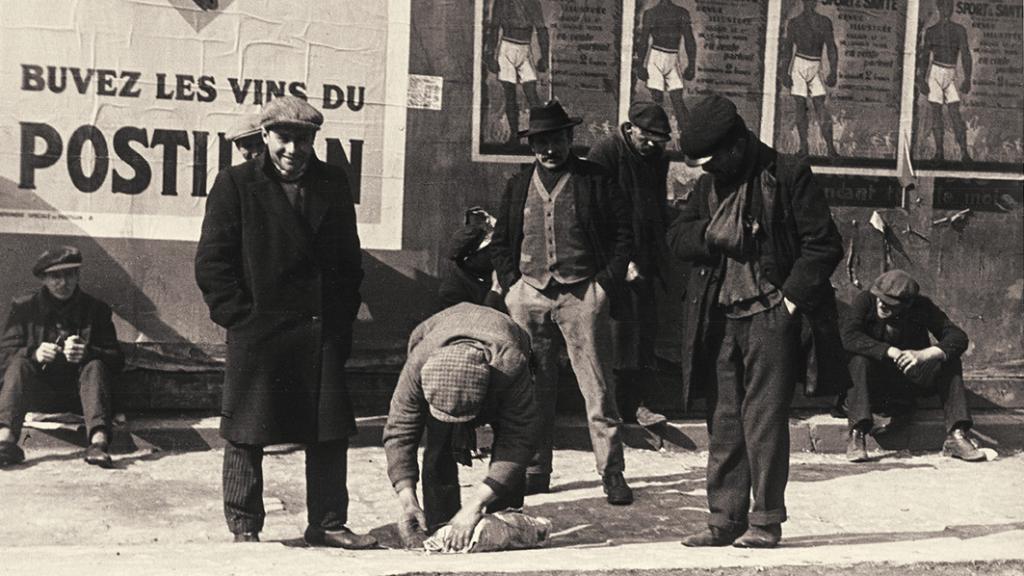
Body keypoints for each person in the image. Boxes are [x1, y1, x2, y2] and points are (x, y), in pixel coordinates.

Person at [195, 95, 375, 548]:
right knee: (245, 431)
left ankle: (328, 522)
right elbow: (213, 263)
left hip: (319, 330)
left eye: (303, 139)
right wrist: (242, 319)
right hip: (260, 330)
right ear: (265, 137)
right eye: (284, 138)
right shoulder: (236, 184)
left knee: (329, 431)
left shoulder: (332, 182)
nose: (293, 149)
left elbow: (348, 260)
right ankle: (244, 526)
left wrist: (340, 318)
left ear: (314, 140)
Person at [668, 93, 845, 548]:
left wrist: (788, 303)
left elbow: (823, 245)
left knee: (764, 423)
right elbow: (677, 238)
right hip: (722, 317)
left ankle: (765, 522)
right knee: (724, 422)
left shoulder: (786, 174)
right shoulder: (710, 186)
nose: (707, 169)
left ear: (737, 144)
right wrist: (711, 234)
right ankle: (724, 520)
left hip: (770, 315)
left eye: (712, 160)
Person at [490, 100, 635, 505]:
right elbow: (502, 241)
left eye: (555, 139)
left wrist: (604, 284)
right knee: (533, 388)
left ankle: (612, 473)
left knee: (598, 389)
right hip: (529, 295)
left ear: (570, 138)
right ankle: (536, 470)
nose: (548, 149)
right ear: (531, 146)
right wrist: (512, 284)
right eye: (540, 142)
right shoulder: (519, 184)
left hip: (581, 293)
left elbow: (624, 234)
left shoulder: (595, 179)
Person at [383, 303, 538, 551]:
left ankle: (505, 513)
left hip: (504, 339)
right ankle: (441, 521)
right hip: (437, 333)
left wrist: (475, 504)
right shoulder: (418, 365)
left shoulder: (510, 367)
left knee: (508, 446)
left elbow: (518, 440)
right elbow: (400, 432)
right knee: (439, 443)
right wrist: (407, 500)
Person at [839, 269, 984, 463]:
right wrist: (888, 351)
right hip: (872, 384)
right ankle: (857, 434)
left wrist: (924, 354)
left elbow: (958, 337)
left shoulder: (921, 306)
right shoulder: (865, 300)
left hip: (909, 380)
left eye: (890, 303)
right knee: (858, 361)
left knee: (949, 360)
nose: (881, 303)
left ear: (907, 304)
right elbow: (847, 337)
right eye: (879, 298)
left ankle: (956, 436)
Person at [587, 101, 672, 428]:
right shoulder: (606, 152)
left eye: (659, 139)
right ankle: (619, 406)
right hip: (611, 257)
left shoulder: (656, 160)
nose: (651, 144)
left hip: (644, 256)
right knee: (619, 333)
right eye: (646, 136)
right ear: (630, 128)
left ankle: (636, 404)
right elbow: (594, 211)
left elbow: (655, 207)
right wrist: (619, 261)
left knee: (642, 332)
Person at [0, 246, 124, 469]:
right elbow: (4, 355)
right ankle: (5, 441)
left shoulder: (96, 310)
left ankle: (98, 444)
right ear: (44, 279)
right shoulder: (24, 308)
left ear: (77, 276)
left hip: (83, 399)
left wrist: (88, 353)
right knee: (19, 363)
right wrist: (34, 353)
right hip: (35, 396)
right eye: (55, 276)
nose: (63, 282)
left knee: (95, 365)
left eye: (69, 275)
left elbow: (117, 360)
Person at [778, 0, 840, 158]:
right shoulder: (795, 23)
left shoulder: (824, 22)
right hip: (799, 64)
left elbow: (831, 47)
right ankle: (804, 148)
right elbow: (787, 49)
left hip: (815, 64)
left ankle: (831, 148)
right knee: (800, 106)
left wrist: (833, 71)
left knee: (820, 106)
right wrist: (784, 71)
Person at [484, 0, 549, 145]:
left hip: (524, 49)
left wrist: (544, 57)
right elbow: (494, 28)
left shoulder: (533, 3)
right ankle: (514, 135)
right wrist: (489, 55)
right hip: (507, 47)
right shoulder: (502, 2)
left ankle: (540, 134)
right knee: (510, 94)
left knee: (531, 93)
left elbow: (542, 30)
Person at [917, 0, 972, 162]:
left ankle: (964, 153)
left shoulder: (959, 30)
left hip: (951, 72)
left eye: (950, 6)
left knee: (955, 113)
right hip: (935, 73)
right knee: (936, 113)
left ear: (953, 7)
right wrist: (921, 78)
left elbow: (966, 54)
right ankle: (939, 153)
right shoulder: (931, 31)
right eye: (944, 6)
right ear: (939, 7)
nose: (948, 9)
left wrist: (968, 78)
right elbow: (925, 56)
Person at [633, 0, 697, 132]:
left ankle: (690, 138)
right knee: (657, 99)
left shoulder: (681, 13)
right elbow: (643, 40)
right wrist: (640, 65)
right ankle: (652, 136)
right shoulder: (651, 13)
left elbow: (689, 39)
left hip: (672, 58)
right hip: (656, 57)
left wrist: (692, 64)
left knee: (677, 100)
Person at [438, 207, 506, 313]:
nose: (497, 253)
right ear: (469, 258)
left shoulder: (497, 273)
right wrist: (494, 291)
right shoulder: (452, 291)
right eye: (490, 250)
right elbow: (476, 324)